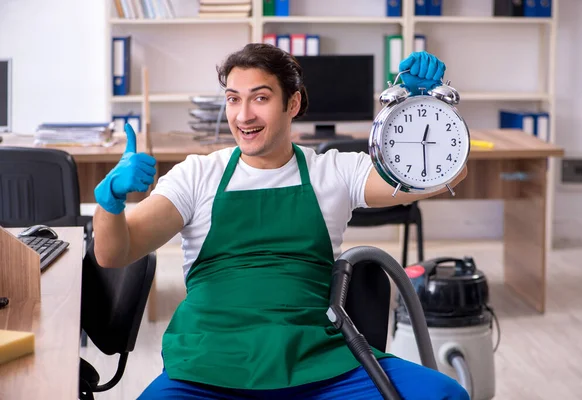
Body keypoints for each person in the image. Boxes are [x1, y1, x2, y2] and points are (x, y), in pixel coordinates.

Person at [92, 44, 469, 400]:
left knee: (445, 394)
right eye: (233, 99)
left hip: (316, 360)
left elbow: (447, 174)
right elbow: (114, 252)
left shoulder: (333, 171)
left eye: (260, 98)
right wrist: (110, 202)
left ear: (293, 102)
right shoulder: (197, 176)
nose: (243, 116)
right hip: (208, 365)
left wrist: (422, 104)